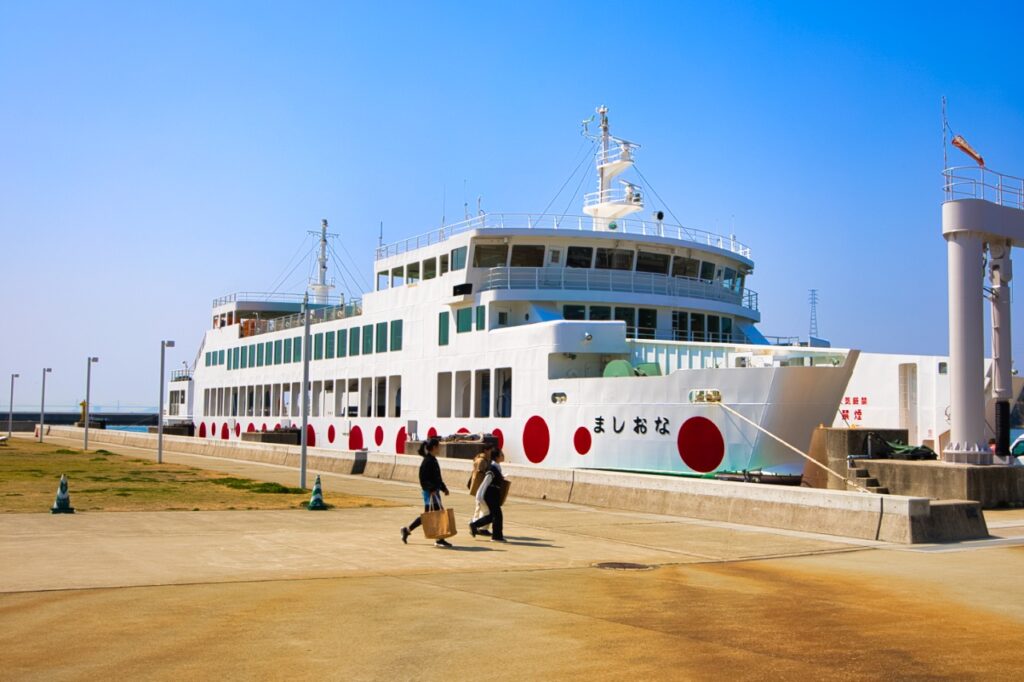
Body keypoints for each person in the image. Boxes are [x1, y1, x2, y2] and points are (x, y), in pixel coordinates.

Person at [400, 437, 452, 547]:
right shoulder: (427, 461)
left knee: (428, 516)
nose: (440, 448)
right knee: (437, 515)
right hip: (430, 493)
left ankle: (407, 530)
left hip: (434, 492)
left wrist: (444, 488)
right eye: (439, 446)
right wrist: (432, 489)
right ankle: (439, 539)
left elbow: (437, 478)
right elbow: (423, 479)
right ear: (434, 447)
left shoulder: (433, 460)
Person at [469, 450, 507, 542]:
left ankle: (474, 525)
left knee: (492, 516)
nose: (503, 456)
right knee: (497, 515)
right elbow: (486, 482)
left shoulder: (496, 467)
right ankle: (497, 537)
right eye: (501, 454)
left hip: (492, 494)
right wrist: (480, 495)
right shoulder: (493, 468)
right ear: (497, 457)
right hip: (490, 494)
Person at [468, 436, 499, 536]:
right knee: (481, 509)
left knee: (479, 508)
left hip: (479, 488)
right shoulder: (482, 461)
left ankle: (476, 526)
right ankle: (477, 526)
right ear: (486, 450)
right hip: (480, 487)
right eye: (489, 450)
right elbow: (480, 475)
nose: (491, 452)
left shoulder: (481, 459)